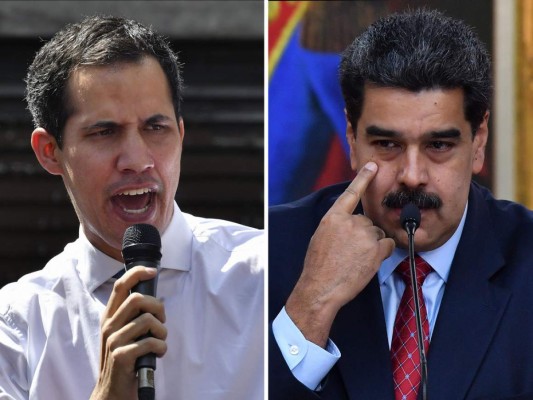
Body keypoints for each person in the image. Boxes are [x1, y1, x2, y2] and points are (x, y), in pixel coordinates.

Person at [269, 9, 533, 400]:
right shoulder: (272, 249)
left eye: (438, 145)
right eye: (387, 145)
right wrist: (313, 303)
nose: (411, 175)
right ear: (352, 139)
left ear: (478, 142)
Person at [0, 16, 263, 400]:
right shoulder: (16, 324)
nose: (138, 160)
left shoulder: (265, 275)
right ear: (49, 152)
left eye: (156, 128)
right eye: (104, 132)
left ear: (181, 134)